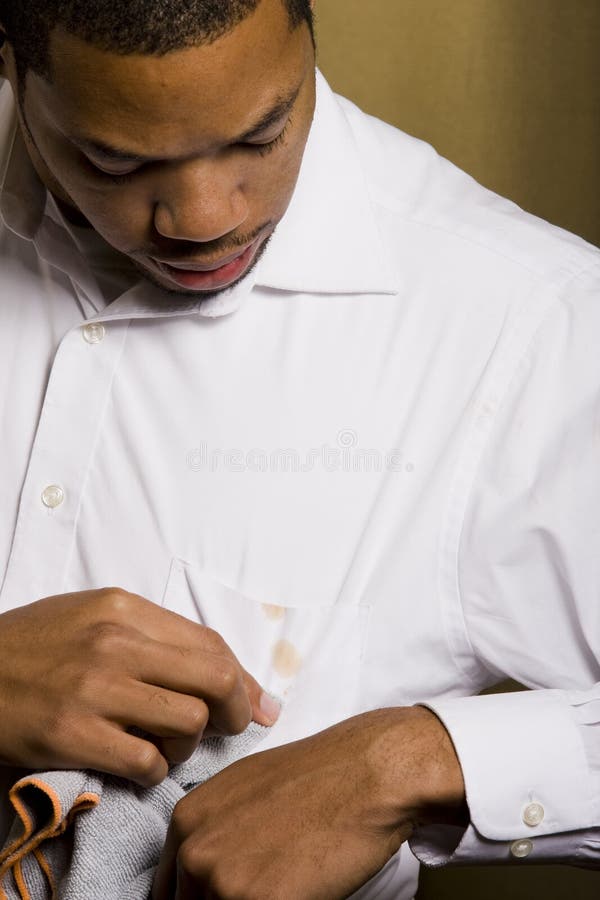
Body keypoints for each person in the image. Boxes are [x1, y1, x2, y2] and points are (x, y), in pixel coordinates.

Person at [0, 0, 598, 897]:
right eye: (116, 160)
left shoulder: (530, 326)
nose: (203, 217)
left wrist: (417, 758)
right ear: (13, 66)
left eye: (262, 135)